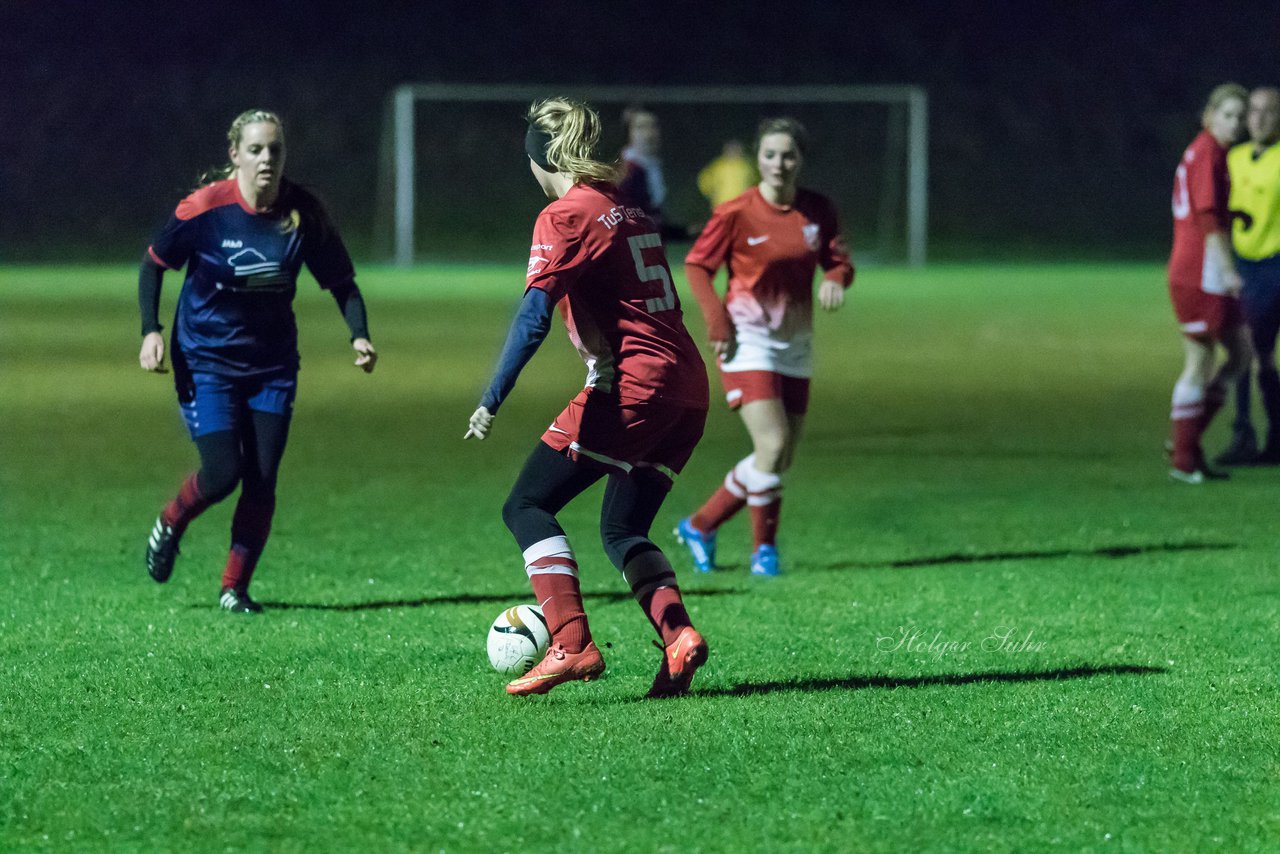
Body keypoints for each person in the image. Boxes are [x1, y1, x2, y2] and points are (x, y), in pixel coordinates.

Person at [465, 97, 710, 698]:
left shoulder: (566, 216)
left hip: (633, 386)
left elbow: (531, 320)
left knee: (526, 505)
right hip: (688, 391)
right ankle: (679, 638)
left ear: (539, 159)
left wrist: (491, 397)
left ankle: (571, 643)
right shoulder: (626, 207)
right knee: (624, 529)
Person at [139, 109, 377, 613]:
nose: (267, 158)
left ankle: (234, 589)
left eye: (275, 149)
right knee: (223, 472)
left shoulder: (302, 213)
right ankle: (171, 521)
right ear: (235, 155)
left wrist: (359, 336)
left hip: (272, 366)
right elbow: (155, 263)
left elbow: (342, 283)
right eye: (255, 149)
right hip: (206, 361)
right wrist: (151, 331)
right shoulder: (205, 209)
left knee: (262, 478)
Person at [675, 117, 854, 577]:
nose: (779, 163)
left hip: (795, 341)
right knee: (771, 446)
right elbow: (697, 266)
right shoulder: (735, 212)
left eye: (788, 155)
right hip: (745, 339)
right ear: (758, 158)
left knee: (781, 455)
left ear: (801, 160)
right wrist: (717, 319)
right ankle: (763, 553)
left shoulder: (818, 209)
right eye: (770, 154)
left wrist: (835, 278)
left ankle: (701, 525)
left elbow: (838, 260)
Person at [1165, 84, 1251, 483]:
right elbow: (1205, 218)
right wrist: (1227, 269)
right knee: (1200, 362)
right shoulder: (1208, 153)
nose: (1235, 123)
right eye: (1228, 115)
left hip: (1204, 268)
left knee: (1240, 354)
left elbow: (1214, 211)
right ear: (1209, 117)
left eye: (1240, 116)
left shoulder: (1210, 152)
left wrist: (1235, 215)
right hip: (1200, 270)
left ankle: (1187, 443)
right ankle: (1183, 459)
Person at [1218, 86, 1280, 465]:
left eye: (1268, 111)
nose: (1257, 118)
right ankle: (1270, 437)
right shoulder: (1235, 157)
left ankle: (1247, 433)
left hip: (1274, 265)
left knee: (1247, 347)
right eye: (1252, 111)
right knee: (1258, 354)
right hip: (1243, 266)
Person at [617, 105, 696, 241]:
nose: (649, 133)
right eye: (640, 127)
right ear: (628, 133)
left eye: (653, 126)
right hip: (633, 256)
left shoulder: (651, 167)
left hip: (647, 251)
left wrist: (684, 232)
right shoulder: (625, 173)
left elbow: (651, 218)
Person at [697, 139, 756, 210]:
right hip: (722, 204)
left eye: (736, 149)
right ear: (725, 150)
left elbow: (753, 182)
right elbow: (704, 180)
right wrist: (710, 194)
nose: (734, 151)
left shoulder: (746, 166)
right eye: (731, 149)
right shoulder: (718, 165)